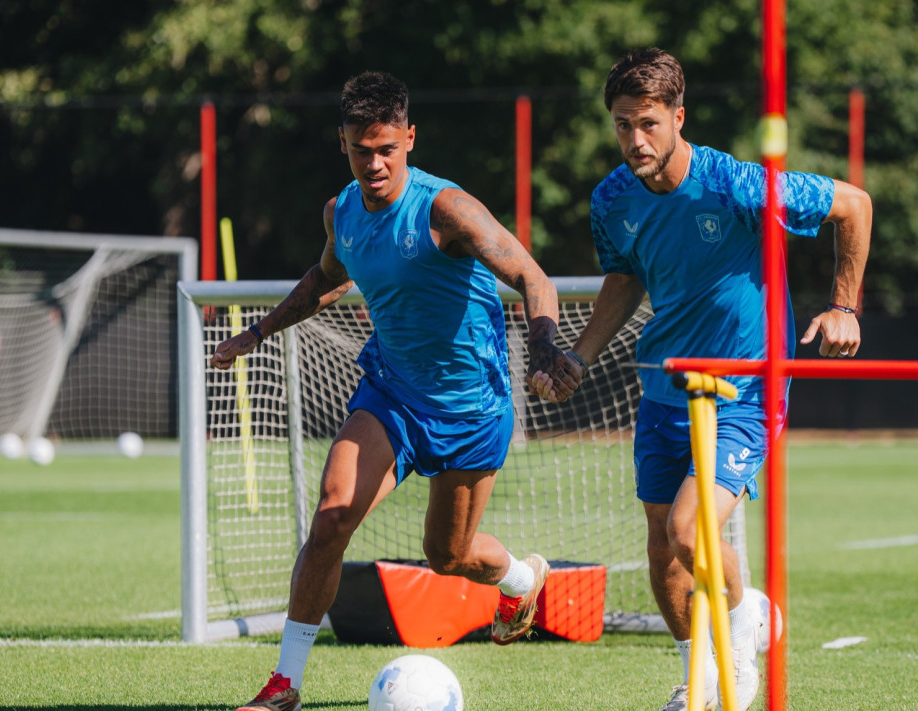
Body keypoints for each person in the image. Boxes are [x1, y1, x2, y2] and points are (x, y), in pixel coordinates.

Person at [213, 71, 574, 711]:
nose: (374, 164)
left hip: (470, 408)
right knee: (330, 519)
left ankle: (521, 579)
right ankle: (284, 684)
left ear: (409, 137)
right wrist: (261, 330)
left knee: (448, 555)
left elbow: (530, 274)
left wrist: (544, 342)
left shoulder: (447, 210)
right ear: (344, 143)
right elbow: (329, 277)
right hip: (391, 396)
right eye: (361, 149)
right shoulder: (341, 211)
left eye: (386, 148)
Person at [530, 48, 872, 711]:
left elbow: (853, 205)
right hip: (664, 387)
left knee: (691, 531)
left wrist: (843, 304)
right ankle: (700, 676)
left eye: (648, 123)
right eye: (623, 124)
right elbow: (623, 280)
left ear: (677, 117)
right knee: (662, 553)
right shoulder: (611, 198)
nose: (634, 139)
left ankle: (739, 636)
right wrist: (579, 356)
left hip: (743, 387)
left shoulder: (737, 184)